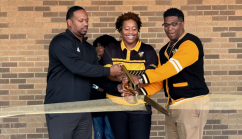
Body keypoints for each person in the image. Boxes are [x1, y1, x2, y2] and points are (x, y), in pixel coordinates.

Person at [44, 6, 124, 139]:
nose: (85, 23)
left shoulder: (89, 49)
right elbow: (77, 67)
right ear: (69, 22)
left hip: (84, 109)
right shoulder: (60, 41)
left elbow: (97, 77)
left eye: (86, 20)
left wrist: (116, 86)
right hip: (61, 109)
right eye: (81, 20)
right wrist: (110, 69)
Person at [131, 8, 209, 139]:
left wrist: (142, 78)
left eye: (174, 24)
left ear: (182, 23)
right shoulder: (164, 50)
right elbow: (162, 80)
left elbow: (173, 67)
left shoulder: (191, 43)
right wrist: (140, 92)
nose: (169, 28)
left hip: (190, 103)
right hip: (172, 105)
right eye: (166, 25)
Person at [101, 12, 158, 139]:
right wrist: (121, 81)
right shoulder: (111, 48)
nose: (130, 32)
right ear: (120, 31)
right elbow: (107, 73)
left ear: (138, 30)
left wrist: (133, 85)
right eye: (126, 29)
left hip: (140, 106)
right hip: (116, 105)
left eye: (134, 28)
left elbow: (151, 75)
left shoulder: (148, 50)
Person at [90, 35, 117, 139]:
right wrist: (96, 87)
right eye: (97, 46)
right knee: (98, 133)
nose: (98, 49)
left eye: (101, 46)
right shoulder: (94, 63)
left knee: (109, 133)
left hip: (110, 103)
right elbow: (88, 80)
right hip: (96, 101)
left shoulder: (115, 64)